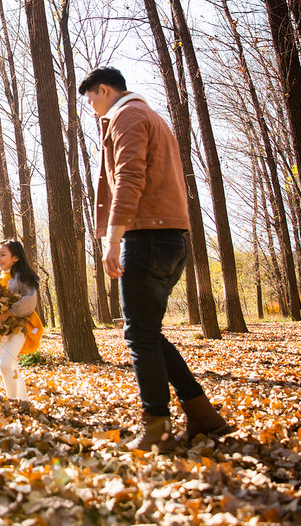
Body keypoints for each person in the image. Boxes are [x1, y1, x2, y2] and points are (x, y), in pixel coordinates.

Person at [79, 66, 230, 451]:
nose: (93, 110)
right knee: (148, 331)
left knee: (139, 334)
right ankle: (203, 415)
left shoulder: (128, 115)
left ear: (103, 89)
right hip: (170, 238)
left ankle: (157, 428)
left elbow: (129, 179)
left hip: (146, 236)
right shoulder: (151, 116)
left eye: (92, 100)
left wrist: (112, 240)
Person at [0, 239, 43, 405]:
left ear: (16, 258)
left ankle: (12, 400)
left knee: (4, 364)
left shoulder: (22, 278)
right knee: (12, 365)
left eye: (3, 255)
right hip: (0, 329)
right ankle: (24, 401)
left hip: (19, 327)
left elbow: (30, 300)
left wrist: (11, 312)